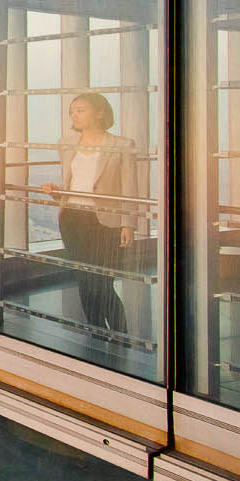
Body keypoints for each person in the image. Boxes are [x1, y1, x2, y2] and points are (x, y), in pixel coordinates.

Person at [37, 92, 138, 337]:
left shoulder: (122, 145)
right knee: (84, 279)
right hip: (72, 219)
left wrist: (128, 225)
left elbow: (130, 188)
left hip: (105, 221)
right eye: (72, 111)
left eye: (81, 110)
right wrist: (56, 192)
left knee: (102, 281)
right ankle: (97, 334)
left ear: (100, 112)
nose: (74, 115)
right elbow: (72, 185)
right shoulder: (66, 143)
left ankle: (121, 337)